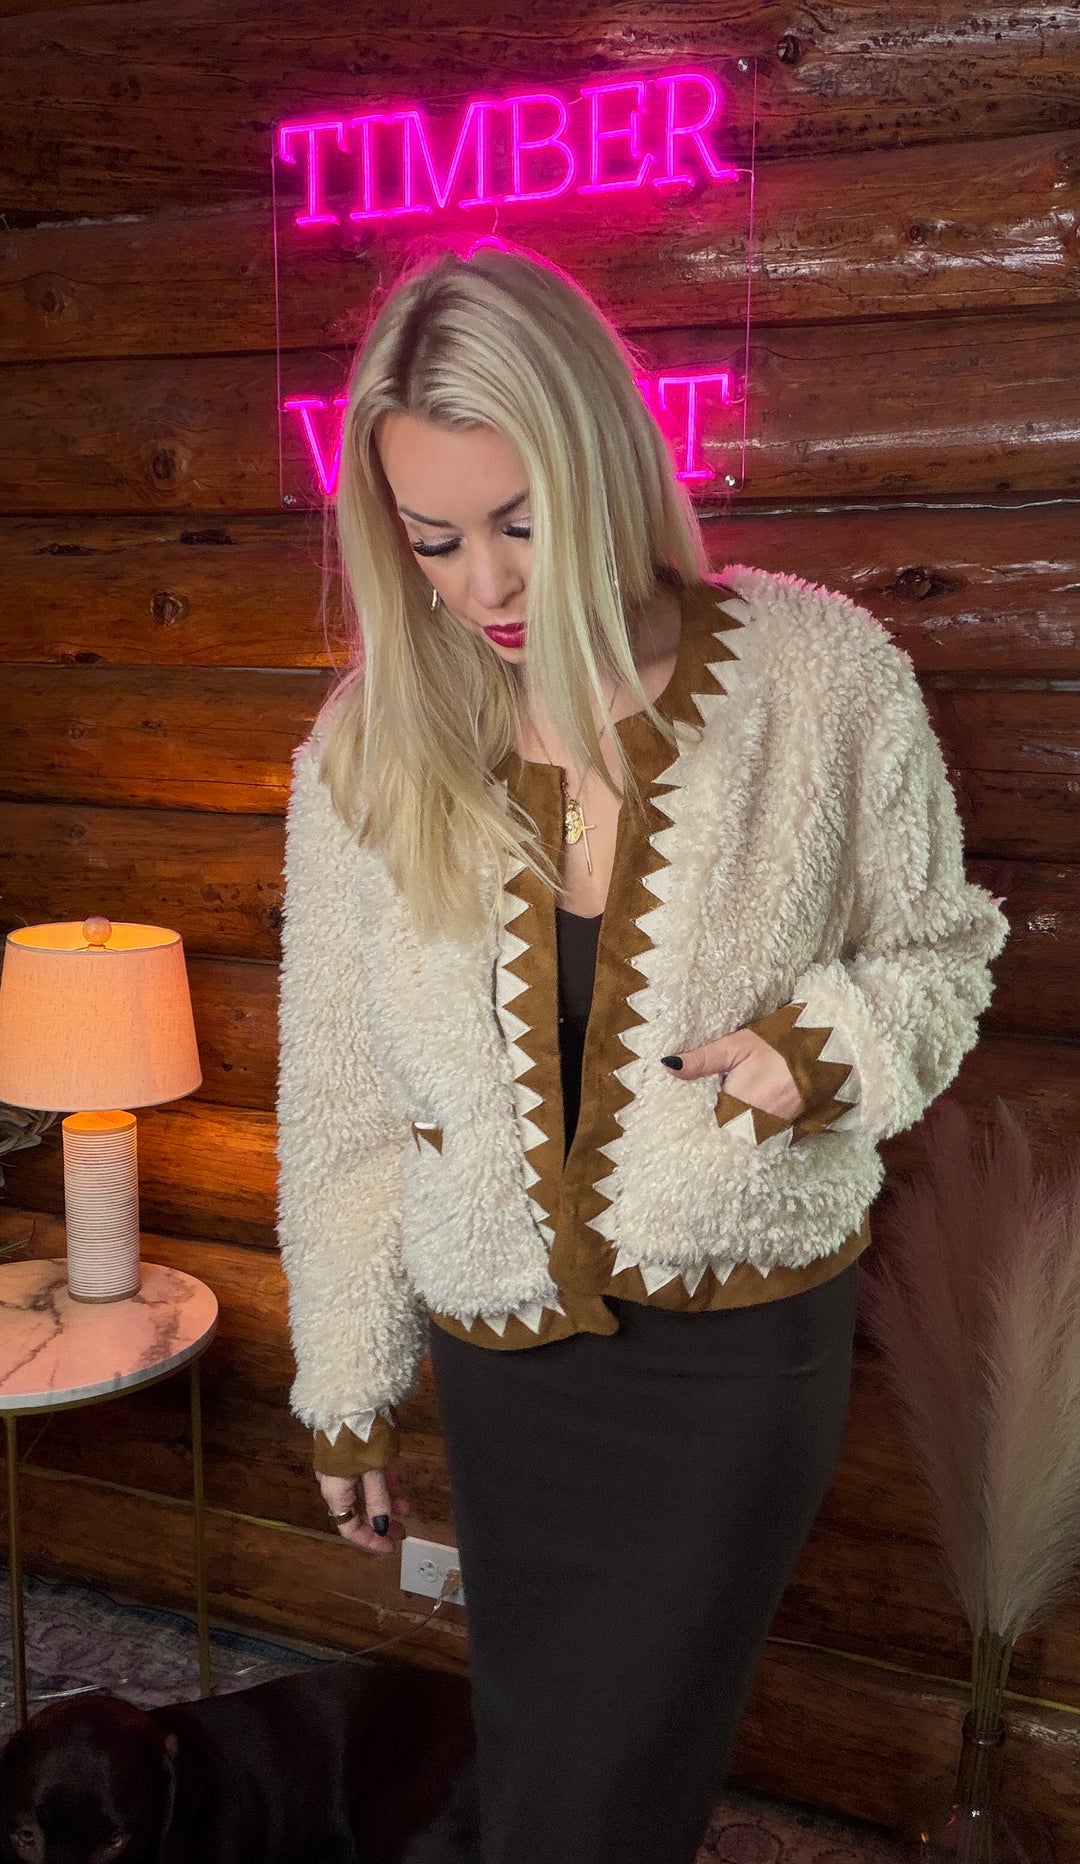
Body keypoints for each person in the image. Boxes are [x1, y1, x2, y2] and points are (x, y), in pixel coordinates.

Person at [275, 244, 1009, 1864]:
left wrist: (817, 1048)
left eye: (521, 521)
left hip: (735, 1357)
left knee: (602, 1781)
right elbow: (335, 1098)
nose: (484, 582)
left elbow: (944, 952)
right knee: (556, 1742)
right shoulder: (367, 742)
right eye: (434, 539)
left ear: (606, 457)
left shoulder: (819, 678)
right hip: (502, 1349)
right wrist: (349, 1380)